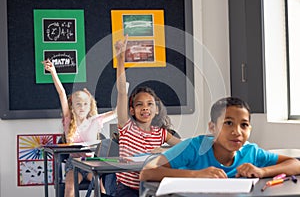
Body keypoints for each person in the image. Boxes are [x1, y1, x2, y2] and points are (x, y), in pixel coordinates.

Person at [140, 97, 300, 181]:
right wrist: (196, 175)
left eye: (244, 125)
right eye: (228, 123)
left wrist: (262, 171)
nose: (237, 132)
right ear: (212, 127)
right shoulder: (194, 147)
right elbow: (147, 172)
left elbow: (295, 164)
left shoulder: (251, 152)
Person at [114, 36, 182, 197]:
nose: (145, 108)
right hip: (128, 189)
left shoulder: (160, 133)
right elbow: (122, 90)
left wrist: (164, 150)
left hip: (153, 187)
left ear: (157, 109)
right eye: (139, 104)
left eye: (150, 104)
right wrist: (120, 58)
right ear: (131, 111)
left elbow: (185, 147)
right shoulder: (126, 127)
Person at [42, 59, 117, 197]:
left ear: (90, 107)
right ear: (72, 107)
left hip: (91, 163)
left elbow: (117, 112)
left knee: (100, 189)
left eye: (85, 104)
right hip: (74, 164)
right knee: (70, 188)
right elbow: (61, 93)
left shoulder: (95, 120)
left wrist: (123, 89)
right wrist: (53, 72)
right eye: (78, 104)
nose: (81, 107)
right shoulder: (68, 120)